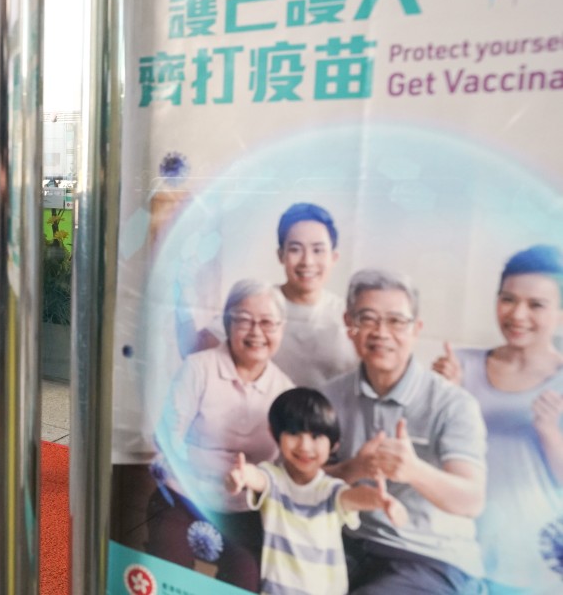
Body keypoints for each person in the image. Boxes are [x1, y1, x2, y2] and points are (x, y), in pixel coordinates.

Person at [321, 269, 487, 594]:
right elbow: (302, 481)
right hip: (349, 542)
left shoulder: (453, 404)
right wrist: (352, 468)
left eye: (396, 321)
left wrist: (414, 471)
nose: (381, 333)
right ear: (349, 324)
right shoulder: (329, 397)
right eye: (368, 319)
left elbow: (471, 500)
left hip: (428, 556)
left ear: (416, 330)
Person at [432, 245, 563, 594]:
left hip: (535, 567)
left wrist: (550, 433)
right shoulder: (459, 366)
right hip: (454, 555)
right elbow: (425, 462)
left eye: (536, 304)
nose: (518, 314)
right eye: (508, 299)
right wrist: (445, 397)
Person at [150, 279, 294, 591]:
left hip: (244, 510)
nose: (256, 332)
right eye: (244, 320)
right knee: (166, 577)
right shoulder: (198, 368)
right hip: (184, 496)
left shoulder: (285, 392)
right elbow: (166, 437)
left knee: (248, 580)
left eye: (267, 322)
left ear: (281, 328)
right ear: (228, 322)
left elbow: (286, 470)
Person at [226, 388, 407, 595]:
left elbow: (351, 498)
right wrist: (241, 477)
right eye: (294, 433)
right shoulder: (274, 479)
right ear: (274, 433)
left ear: (334, 444)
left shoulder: (329, 490)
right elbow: (257, 478)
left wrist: (379, 500)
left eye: (317, 436)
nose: (305, 446)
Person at [271, 203, 358, 388]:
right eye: (295, 249)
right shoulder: (258, 304)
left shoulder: (349, 316)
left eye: (318, 250)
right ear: (281, 255)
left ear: (334, 257)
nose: (307, 262)